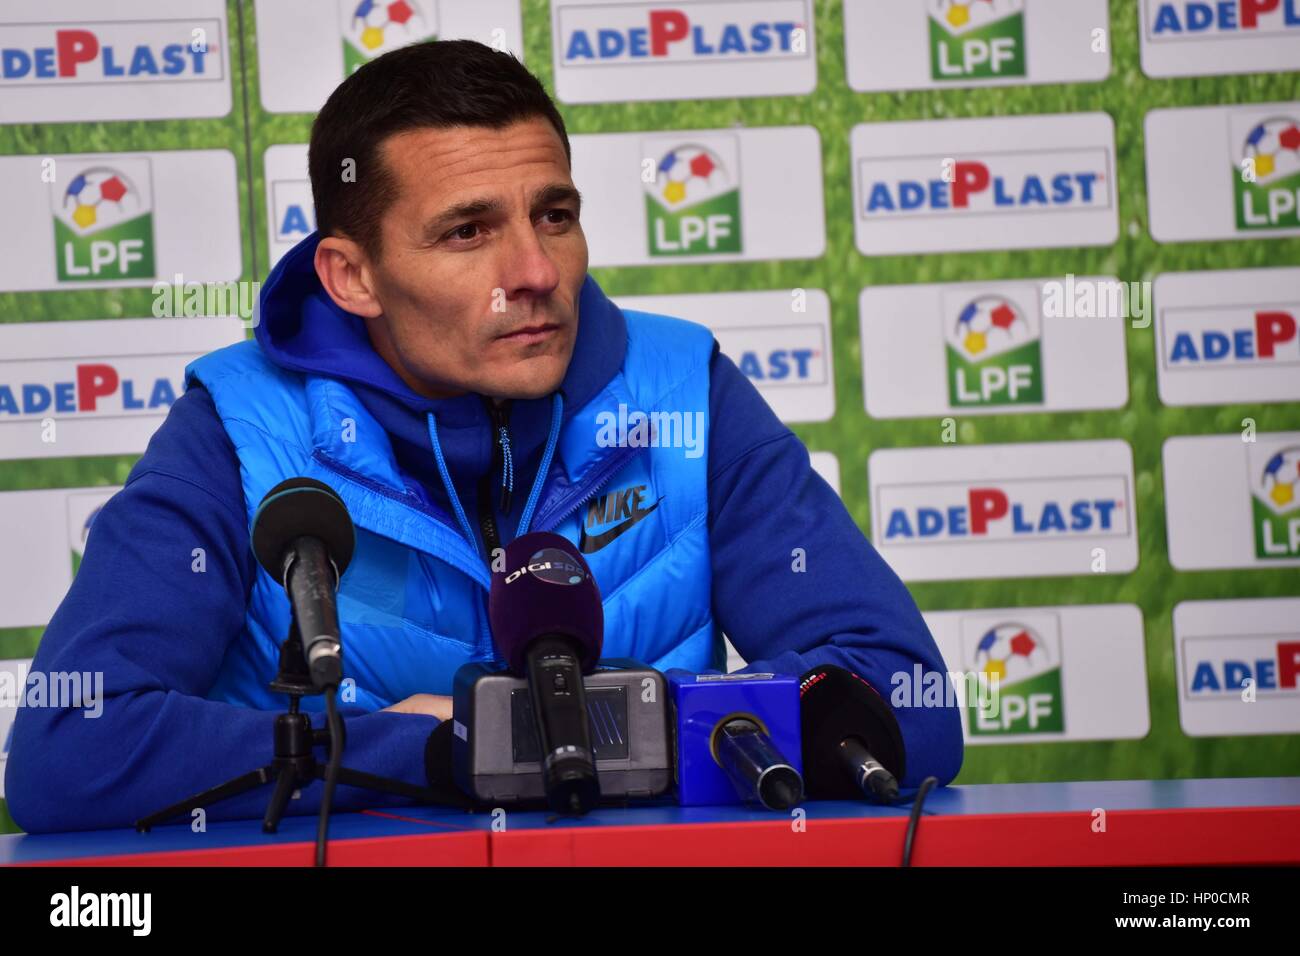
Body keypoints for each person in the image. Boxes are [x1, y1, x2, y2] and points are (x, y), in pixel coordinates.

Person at [5, 40, 961, 832]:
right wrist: (416, 750)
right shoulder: (242, 427)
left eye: (555, 215)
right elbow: (68, 749)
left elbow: (904, 703)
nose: (535, 271)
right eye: (467, 232)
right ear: (352, 276)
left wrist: (518, 735)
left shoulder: (683, 388)